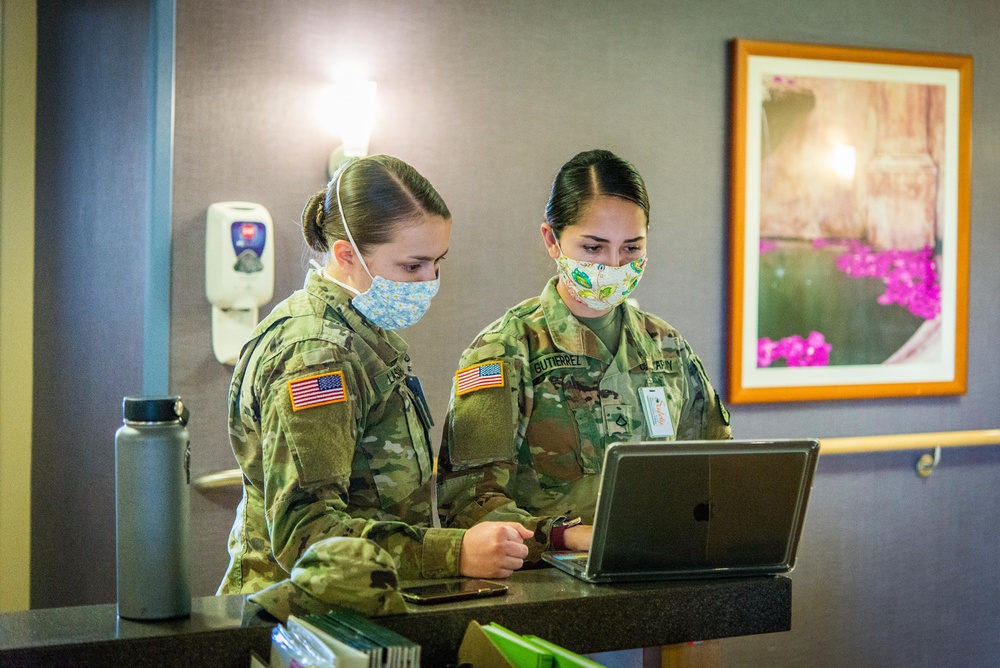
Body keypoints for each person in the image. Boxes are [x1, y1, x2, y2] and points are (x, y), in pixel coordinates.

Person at [219, 155, 532, 596]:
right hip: (302, 619)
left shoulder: (361, 334)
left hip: (363, 600)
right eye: (413, 266)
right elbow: (307, 536)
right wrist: (454, 553)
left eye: (438, 262)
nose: (430, 281)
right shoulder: (317, 355)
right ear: (347, 255)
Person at [438, 149, 732, 560]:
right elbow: (467, 505)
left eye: (631, 248)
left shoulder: (666, 347)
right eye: (594, 248)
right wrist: (565, 537)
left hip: (659, 576)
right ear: (551, 240)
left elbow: (715, 470)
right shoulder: (504, 351)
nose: (613, 265)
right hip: (548, 587)